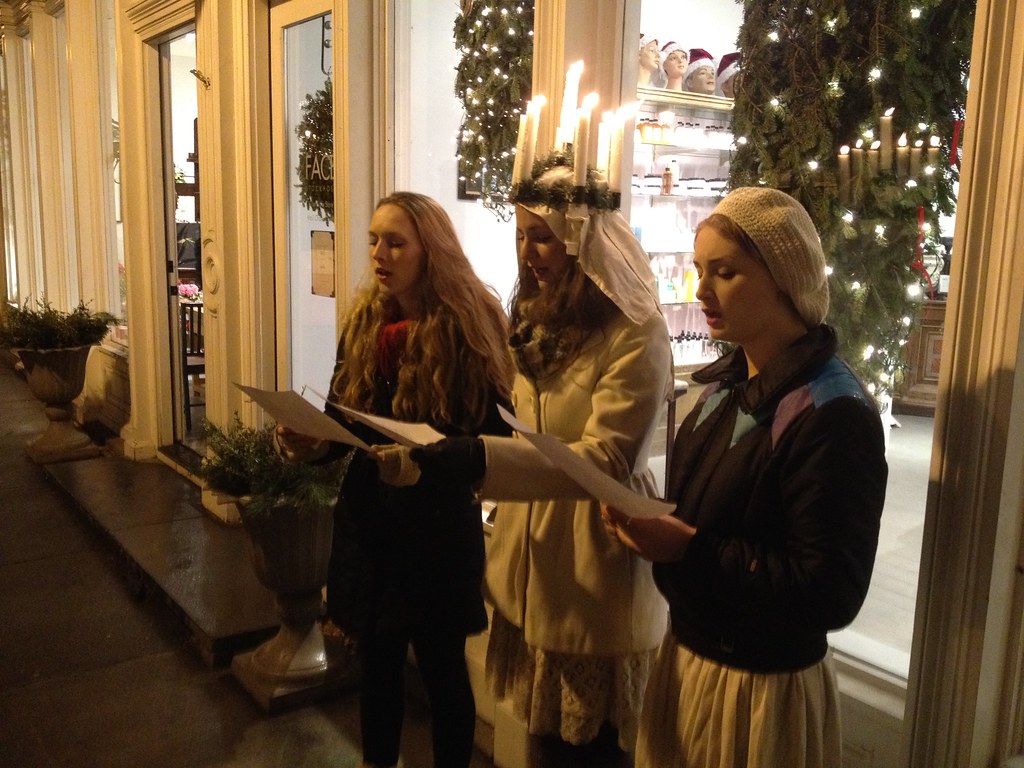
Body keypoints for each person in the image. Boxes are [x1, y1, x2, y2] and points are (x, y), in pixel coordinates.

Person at [389, 155, 674, 766]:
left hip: (593, 552)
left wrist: (481, 460)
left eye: (542, 235)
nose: (529, 252)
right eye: (521, 235)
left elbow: (607, 457)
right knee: (542, 741)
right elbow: (525, 425)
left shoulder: (634, 330)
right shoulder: (536, 320)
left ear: (582, 238)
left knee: (587, 750)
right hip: (532, 558)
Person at [602, 187, 887, 768]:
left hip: (759, 693)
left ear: (784, 278)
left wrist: (690, 549)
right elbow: (710, 514)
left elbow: (830, 590)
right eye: (699, 271)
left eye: (724, 272)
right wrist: (653, 519)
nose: (701, 291)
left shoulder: (833, 414)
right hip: (690, 659)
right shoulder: (720, 389)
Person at [275, 191, 515, 768]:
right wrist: (309, 443)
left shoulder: (468, 327)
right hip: (370, 525)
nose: (379, 254)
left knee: (441, 673)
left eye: (395, 242)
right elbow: (341, 418)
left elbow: (492, 438)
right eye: (374, 240)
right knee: (377, 668)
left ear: (429, 251)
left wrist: (424, 466)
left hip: (436, 531)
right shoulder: (364, 322)